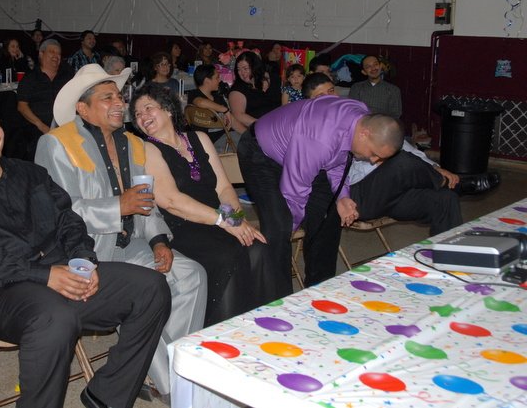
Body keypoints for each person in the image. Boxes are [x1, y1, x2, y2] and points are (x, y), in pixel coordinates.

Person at [0, 100, 170, 408]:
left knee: (151, 288)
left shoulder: (29, 172)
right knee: (55, 318)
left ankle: (107, 395)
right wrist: (45, 276)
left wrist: (85, 261)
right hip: (2, 292)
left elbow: (69, 219)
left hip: (63, 271)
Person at [35, 64, 207, 401]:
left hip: (131, 243)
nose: (119, 103)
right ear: (82, 108)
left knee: (192, 275)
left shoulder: (132, 143)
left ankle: (168, 369)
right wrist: (118, 206)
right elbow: (59, 213)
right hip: (86, 253)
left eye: (118, 96)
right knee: (149, 292)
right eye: (107, 97)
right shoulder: (57, 144)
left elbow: (144, 202)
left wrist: (158, 240)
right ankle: (172, 384)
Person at [237, 95, 403, 302]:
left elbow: (338, 160)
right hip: (260, 153)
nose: (372, 160)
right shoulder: (320, 139)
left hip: (301, 151)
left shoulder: (360, 118)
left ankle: (320, 290)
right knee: (280, 226)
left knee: (328, 215)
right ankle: (278, 302)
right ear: (364, 134)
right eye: (374, 153)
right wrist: (292, 226)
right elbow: (294, 192)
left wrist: (342, 197)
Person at [131, 84, 267, 326]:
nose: (142, 117)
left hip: (218, 219)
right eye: (137, 114)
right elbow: (171, 201)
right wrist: (224, 221)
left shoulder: (199, 139)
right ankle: (220, 332)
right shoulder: (147, 149)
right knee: (227, 254)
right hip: (183, 227)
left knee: (256, 247)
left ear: (168, 109)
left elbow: (224, 189)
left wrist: (236, 220)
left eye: (148, 108)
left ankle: (254, 326)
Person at [304, 72, 463, 236]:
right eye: (321, 97)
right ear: (310, 103)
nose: (330, 98)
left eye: (331, 91)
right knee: (401, 162)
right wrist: (380, 163)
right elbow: (337, 178)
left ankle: (448, 252)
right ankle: (451, 183)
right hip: (354, 198)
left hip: (389, 193)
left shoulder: (356, 117)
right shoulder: (315, 134)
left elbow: (399, 144)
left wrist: (434, 167)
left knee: (445, 199)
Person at [15, 38, 73, 160]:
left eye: (58, 53)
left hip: (64, 126)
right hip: (36, 128)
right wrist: (41, 126)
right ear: (41, 54)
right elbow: (22, 106)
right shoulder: (30, 78)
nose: (56, 56)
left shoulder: (67, 77)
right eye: (52, 52)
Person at [187, 64, 240, 151]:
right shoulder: (194, 94)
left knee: (246, 140)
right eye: (217, 77)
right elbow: (200, 102)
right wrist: (225, 110)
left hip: (226, 139)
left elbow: (232, 120)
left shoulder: (217, 97)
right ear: (207, 81)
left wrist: (249, 134)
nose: (220, 80)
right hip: (210, 144)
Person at [228, 51, 280, 133]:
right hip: (256, 130)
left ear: (255, 67)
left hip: (279, 124)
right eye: (239, 69)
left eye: (245, 68)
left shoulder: (273, 78)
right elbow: (238, 115)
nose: (242, 73)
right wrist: (264, 126)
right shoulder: (238, 89)